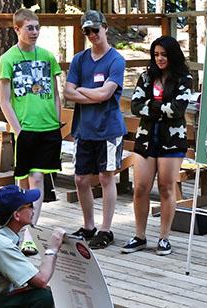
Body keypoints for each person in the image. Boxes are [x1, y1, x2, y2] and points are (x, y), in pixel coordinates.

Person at [0, 8, 62, 256]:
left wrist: (56, 121)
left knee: (36, 179)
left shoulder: (47, 56)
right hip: (24, 129)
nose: (34, 32)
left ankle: (29, 234)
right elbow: (4, 100)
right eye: (29, 28)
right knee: (23, 181)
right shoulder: (8, 59)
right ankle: (17, 228)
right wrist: (18, 130)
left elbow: (55, 93)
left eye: (37, 27)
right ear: (17, 29)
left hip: (47, 127)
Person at [121, 36, 194, 256]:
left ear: (172, 55)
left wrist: (151, 106)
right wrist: (162, 107)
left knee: (165, 187)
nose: (160, 58)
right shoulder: (146, 76)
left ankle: (164, 237)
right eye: (156, 54)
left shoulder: (184, 78)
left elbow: (178, 110)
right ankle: (140, 236)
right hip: (145, 138)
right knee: (140, 187)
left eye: (164, 54)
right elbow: (135, 106)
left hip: (172, 141)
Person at [64, 10, 127, 249]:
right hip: (84, 128)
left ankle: (106, 229)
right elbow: (68, 92)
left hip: (109, 129)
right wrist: (94, 96)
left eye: (95, 30)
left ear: (105, 28)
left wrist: (83, 92)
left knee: (105, 177)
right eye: (87, 31)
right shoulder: (79, 59)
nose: (92, 35)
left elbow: (106, 94)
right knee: (80, 179)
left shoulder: (116, 60)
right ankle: (88, 225)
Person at [0, 185, 66, 307]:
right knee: (44, 297)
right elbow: (41, 280)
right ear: (16, 215)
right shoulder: (1, 245)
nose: (34, 208)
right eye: (30, 205)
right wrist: (52, 249)